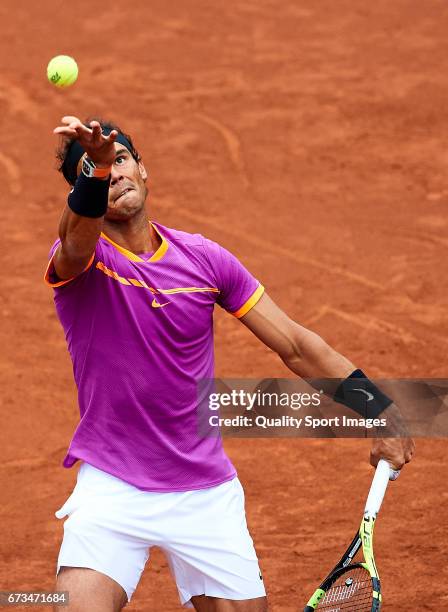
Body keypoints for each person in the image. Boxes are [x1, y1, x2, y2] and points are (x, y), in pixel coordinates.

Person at [46, 116, 414, 612]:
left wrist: (380, 409)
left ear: (144, 169)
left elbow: (296, 345)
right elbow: (75, 238)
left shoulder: (204, 260)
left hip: (204, 490)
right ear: (79, 192)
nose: (113, 173)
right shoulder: (82, 262)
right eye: (93, 168)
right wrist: (97, 169)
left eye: (122, 159)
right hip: (114, 485)